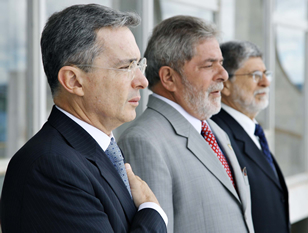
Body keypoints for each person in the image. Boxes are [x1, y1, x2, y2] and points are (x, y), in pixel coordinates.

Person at [0, 4, 167, 233]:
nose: (142, 81)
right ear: (74, 81)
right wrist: (152, 212)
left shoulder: (95, 150)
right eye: (126, 66)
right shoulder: (50, 167)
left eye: (138, 64)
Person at [118, 16, 254, 233]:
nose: (224, 75)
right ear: (169, 78)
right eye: (209, 65)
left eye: (221, 64)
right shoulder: (143, 142)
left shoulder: (213, 129)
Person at [211, 41, 290, 233]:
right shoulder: (217, 137)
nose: (266, 82)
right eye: (255, 75)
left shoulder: (252, 130)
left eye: (266, 74)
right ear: (226, 85)